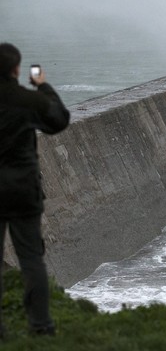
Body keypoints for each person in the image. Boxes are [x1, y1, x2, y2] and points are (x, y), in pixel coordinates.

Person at [0, 43, 70, 338]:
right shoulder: (27, 99)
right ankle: (41, 326)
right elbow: (59, 120)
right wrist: (44, 87)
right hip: (22, 189)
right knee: (30, 259)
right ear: (17, 69)